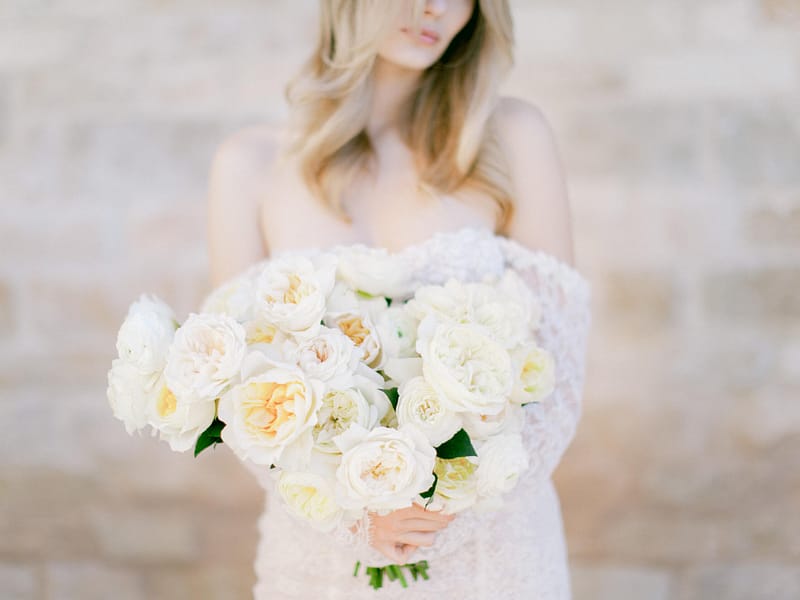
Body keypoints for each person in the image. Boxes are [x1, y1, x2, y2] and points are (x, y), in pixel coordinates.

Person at [206, 1, 592, 598]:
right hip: (320, 559)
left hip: (496, 553)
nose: (434, 7)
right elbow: (239, 396)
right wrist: (356, 517)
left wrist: (444, 513)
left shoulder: (512, 137)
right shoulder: (249, 166)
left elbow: (558, 375)